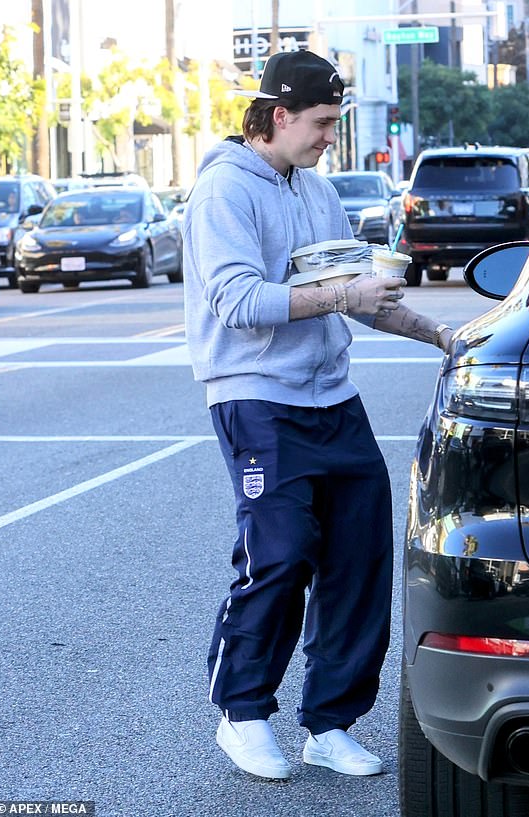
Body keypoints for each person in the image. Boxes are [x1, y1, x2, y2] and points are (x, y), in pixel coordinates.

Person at [182, 50, 453, 782]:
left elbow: (363, 293)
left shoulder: (316, 189)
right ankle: (242, 712)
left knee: (359, 558)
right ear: (278, 116)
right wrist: (343, 299)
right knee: (280, 552)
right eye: (323, 122)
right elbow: (239, 304)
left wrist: (443, 335)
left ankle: (330, 723)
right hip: (256, 398)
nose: (333, 134)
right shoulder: (223, 193)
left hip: (333, 398)